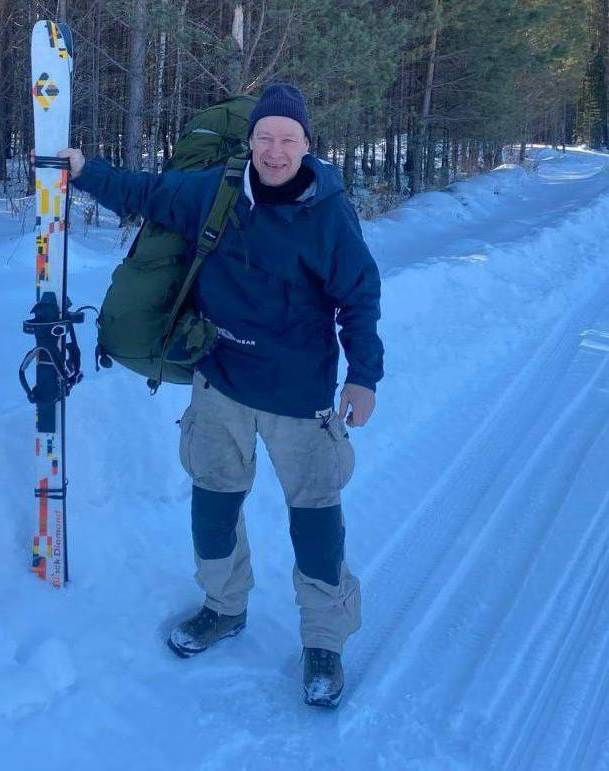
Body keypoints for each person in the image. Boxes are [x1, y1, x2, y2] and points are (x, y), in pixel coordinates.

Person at [62, 84, 384, 708]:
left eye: (288, 139)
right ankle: (223, 605)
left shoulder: (329, 212)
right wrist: (85, 172)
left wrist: (363, 376)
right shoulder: (220, 189)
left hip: (300, 393)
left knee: (315, 519)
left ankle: (325, 641)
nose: (275, 150)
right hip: (221, 382)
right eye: (265, 136)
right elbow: (147, 193)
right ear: (252, 140)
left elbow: (360, 297)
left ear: (308, 145)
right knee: (213, 503)